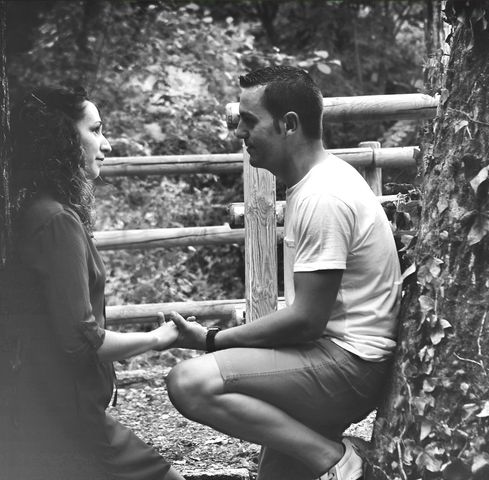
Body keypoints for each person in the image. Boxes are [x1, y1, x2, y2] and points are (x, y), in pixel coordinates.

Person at [165, 66, 402, 480]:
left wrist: (210, 341)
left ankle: (341, 463)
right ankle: (324, 458)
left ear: (289, 124)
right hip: (330, 356)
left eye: (249, 120)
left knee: (189, 382)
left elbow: (306, 320)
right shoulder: (314, 183)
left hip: (348, 364)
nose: (239, 131)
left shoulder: (323, 196)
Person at [0, 86, 184, 480]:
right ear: (63, 139)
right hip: (64, 415)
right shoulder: (55, 220)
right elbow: (79, 341)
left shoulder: (37, 209)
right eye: (95, 130)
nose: (105, 144)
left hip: (44, 405)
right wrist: (159, 338)